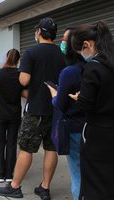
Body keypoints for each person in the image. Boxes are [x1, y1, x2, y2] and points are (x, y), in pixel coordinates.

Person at [0, 17, 66, 199]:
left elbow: (24, 80)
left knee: (26, 148)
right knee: (51, 148)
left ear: (40, 32)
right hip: (55, 109)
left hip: (36, 109)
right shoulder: (61, 54)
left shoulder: (31, 52)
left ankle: (15, 186)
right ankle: (45, 187)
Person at [69, 21, 114, 200]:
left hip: (97, 135)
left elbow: (84, 105)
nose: (81, 55)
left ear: (87, 44)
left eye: (80, 51)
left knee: (95, 183)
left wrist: (79, 97)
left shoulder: (93, 67)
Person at [47, 28, 85, 200]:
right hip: (93, 127)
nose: (61, 42)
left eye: (64, 39)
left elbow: (60, 104)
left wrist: (54, 95)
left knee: (77, 173)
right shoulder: (93, 67)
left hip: (75, 129)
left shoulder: (69, 72)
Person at [0, 49, 27, 183]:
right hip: (15, 114)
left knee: (0, 143)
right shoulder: (21, 75)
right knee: (11, 143)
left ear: (7, 57)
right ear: (18, 60)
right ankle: (9, 175)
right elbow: (25, 94)